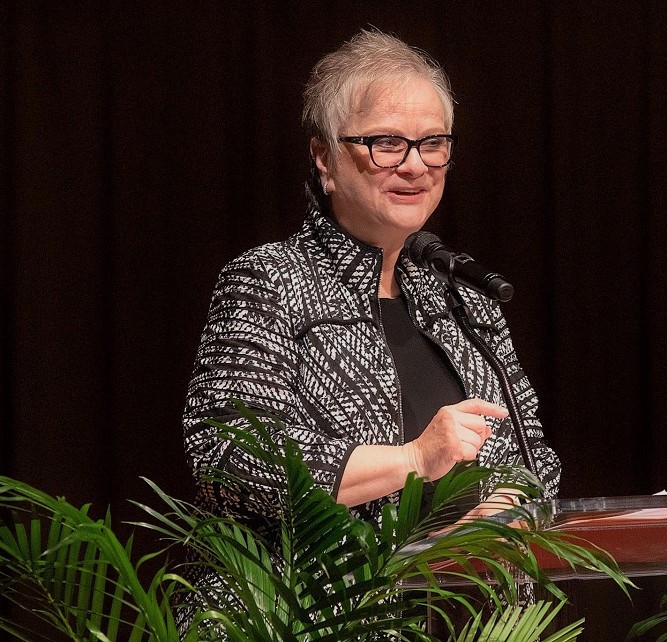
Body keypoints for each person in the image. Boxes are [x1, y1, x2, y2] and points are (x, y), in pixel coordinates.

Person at [183, 26, 559, 556]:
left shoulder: (464, 301)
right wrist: (414, 460)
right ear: (323, 158)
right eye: (386, 143)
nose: (414, 165)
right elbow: (232, 463)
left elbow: (537, 463)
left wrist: (506, 509)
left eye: (433, 144)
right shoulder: (269, 281)